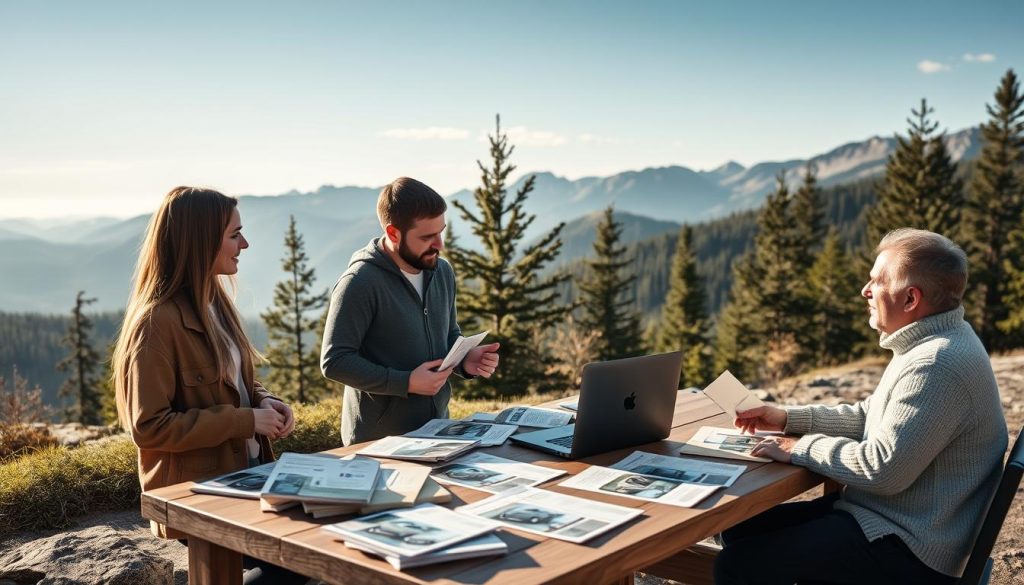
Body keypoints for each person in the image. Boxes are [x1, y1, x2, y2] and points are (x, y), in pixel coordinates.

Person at [715, 228, 1008, 584]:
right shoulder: (932, 342)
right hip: (894, 519)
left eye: (875, 282)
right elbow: (869, 415)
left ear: (911, 299)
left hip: (912, 547)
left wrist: (799, 448)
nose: (865, 292)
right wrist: (785, 417)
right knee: (738, 529)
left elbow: (882, 469)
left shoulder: (937, 363)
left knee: (738, 564)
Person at [113, 186, 306, 585]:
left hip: (246, 475)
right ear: (202, 241)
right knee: (295, 566)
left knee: (309, 552)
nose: (245, 244)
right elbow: (149, 427)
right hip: (201, 491)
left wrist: (266, 402)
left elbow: (234, 382)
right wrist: (246, 421)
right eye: (235, 235)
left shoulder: (216, 302)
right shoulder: (156, 324)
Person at [321, 177, 500, 446]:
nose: (439, 244)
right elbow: (334, 361)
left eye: (441, 231)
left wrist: (465, 361)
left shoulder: (442, 271)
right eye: (427, 237)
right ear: (393, 233)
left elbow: (448, 334)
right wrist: (405, 382)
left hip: (438, 432)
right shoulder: (359, 282)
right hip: (378, 444)